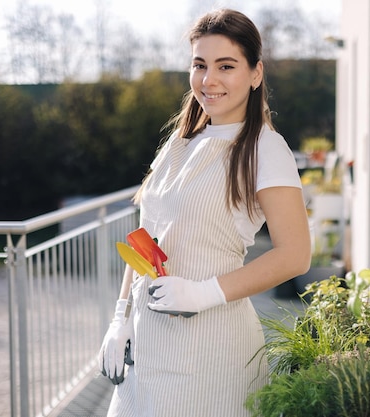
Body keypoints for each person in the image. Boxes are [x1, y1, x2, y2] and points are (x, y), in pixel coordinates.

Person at [98, 8, 311, 417]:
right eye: (200, 65)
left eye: (225, 66)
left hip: (211, 345)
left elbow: (295, 254)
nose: (208, 80)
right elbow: (147, 236)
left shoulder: (265, 149)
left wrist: (202, 292)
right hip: (147, 341)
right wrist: (120, 316)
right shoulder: (178, 143)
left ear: (255, 73)